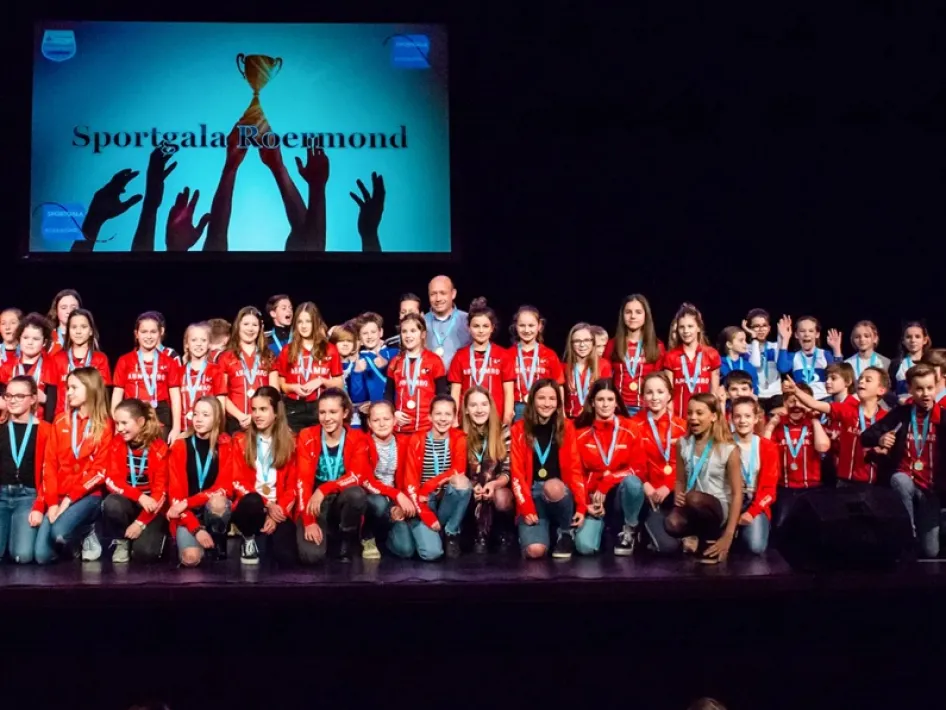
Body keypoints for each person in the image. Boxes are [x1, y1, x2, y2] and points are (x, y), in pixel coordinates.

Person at [296, 389, 402, 562]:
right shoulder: (307, 436)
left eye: (333, 412)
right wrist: (308, 521)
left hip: (340, 500)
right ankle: (327, 533)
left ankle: (346, 539)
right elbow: (302, 481)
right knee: (310, 557)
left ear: (345, 412)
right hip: (315, 503)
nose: (327, 418)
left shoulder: (357, 438)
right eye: (322, 412)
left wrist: (324, 489)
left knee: (356, 494)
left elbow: (357, 476)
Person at [862, 364, 944, 558]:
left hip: (931, 489)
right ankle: (907, 531)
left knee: (931, 552)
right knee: (899, 480)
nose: (925, 394)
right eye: (919, 388)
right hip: (906, 479)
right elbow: (866, 436)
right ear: (909, 389)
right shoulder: (902, 414)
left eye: (930, 388)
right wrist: (880, 439)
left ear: (936, 387)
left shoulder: (943, 418)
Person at [36, 367, 113, 563]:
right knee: (42, 556)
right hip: (60, 495)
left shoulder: (104, 425)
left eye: (73, 388)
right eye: (67, 387)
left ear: (90, 389)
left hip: (88, 495)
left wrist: (68, 500)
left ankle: (89, 529)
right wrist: (52, 503)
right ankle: (74, 542)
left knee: (59, 533)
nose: (68, 392)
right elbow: (49, 465)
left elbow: (100, 471)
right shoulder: (61, 421)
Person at [510, 379, 586, 560]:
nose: (547, 403)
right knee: (535, 552)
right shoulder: (519, 428)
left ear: (558, 403)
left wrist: (582, 506)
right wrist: (526, 507)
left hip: (559, 491)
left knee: (552, 486)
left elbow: (575, 468)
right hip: (532, 493)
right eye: (541, 398)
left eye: (552, 399)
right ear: (532, 400)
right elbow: (517, 472)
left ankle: (565, 532)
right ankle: (546, 533)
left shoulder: (566, 427)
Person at [389, 395, 471, 560]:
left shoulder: (459, 438)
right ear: (430, 416)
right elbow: (410, 482)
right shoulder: (417, 439)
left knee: (462, 482)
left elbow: (458, 470)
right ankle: (401, 533)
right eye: (438, 414)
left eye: (448, 414)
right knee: (431, 554)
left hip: (444, 500)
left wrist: (428, 486)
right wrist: (425, 513)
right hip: (422, 502)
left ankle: (450, 532)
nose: (442, 419)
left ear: (455, 417)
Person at [664, 393, 743, 564]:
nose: (693, 418)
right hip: (693, 505)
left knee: (694, 497)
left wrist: (729, 535)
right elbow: (680, 480)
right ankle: (700, 536)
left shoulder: (728, 449)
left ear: (713, 416)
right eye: (690, 413)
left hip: (718, 507)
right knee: (671, 523)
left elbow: (738, 494)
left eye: (699, 413)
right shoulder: (682, 444)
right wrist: (678, 492)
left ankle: (716, 535)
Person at [573, 379, 643, 556]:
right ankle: (602, 527)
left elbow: (638, 469)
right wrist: (585, 503)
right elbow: (576, 473)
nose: (605, 404)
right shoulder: (580, 433)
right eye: (600, 399)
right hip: (594, 499)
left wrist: (608, 480)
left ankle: (630, 529)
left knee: (633, 483)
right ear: (592, 403)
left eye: (610, 399)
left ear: (617, 402)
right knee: (585, 548)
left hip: (620, 495)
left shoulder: (631, 428)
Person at [785, 368, 889, 486]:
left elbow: (889, 449)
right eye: (860, 378)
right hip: (844, 482)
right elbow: (814, 404)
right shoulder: (846, 409)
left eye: (868, 380)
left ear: (881, 390)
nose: (861, 381)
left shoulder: (886, 418)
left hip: (872, 483)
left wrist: (883, 448)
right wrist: (796, 391)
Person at [229, 387, 297, 565]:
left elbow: (293, 486)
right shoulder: (240, 441)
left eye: (263, 409)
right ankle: (248, 537)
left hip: (279, 507)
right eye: (254, 409)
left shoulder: (291, 442)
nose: (257, 415)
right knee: (253, 501)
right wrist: (267, 504)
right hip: (252, 504)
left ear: (276, 413)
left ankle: (266, 535)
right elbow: (237, 481)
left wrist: (276, 513)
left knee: (286, 558)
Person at [167, 396, 233, 566]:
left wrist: (188, 502)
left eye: (205, 415)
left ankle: (217, 542)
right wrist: (196, 530)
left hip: (210, 509)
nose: (198, 419)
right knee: (191, 559)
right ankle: (200, 544)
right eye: (196, 414)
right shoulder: (180, 446)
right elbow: (175, 498)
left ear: (217, 418)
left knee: (219, 502)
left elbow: (225, 488)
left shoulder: (226, 446)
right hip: (186, 515)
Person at [103, 399, 170, 563]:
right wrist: (138, 496)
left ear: (140, 422)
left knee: (145, 554)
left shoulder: (159, 447)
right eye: (117, 423)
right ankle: (122, 541)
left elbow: (161, 493)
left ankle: (151, 536)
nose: (119, 428)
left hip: (151, 509)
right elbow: (111, 480)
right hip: (129, 501)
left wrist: (140, 523)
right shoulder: (116, 443)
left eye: (124, 423)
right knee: (111, 503)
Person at [763, 380, 831, 528]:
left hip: (812, 488)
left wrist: (814, 420)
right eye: (792, 401)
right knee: (781, 527)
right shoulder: (779, 425)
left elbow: (823, 447)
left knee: (814, 528)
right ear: (784, 403)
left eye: (801, 401)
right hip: (785, 488)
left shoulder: (814, 425)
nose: (796, 406)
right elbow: (763, 451)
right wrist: (771, 425)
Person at [634, 372, 688, 554]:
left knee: (670, 547)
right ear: (642, 397)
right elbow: (630, 461)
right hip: (646, 493)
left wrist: (669, 485)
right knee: (667, 547)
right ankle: (637, 528)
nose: (655, 397)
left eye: (660, 391)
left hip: (673, 492)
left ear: (669, 395)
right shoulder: (633, 425)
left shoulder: (682, 426)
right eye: (649, 392)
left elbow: (686, 464)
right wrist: (645, 485)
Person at [0, 376, 52, 563]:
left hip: (27, 496)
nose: (12, 400)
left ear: (32, 399)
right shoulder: (1, 426)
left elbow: (50, 474)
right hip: (2, 496)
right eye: (9, 395)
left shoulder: (46, 430)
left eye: (19, 396)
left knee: (22, 556)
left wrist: (39, 505)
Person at [112, 311, 183, 443]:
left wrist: (176, 427)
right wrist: (117, 424)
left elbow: (175, 397)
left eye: (153, 332)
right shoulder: (124, 361)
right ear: (136, 334)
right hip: (132, 413)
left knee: (158, 456)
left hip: (160, 414)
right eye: (144, 332)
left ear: (160, 333)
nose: (149, 336)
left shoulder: (169, 362)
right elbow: (117, 395)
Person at [461, 385, 514, 552]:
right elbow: (457, 471)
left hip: (497, 486)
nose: (479, 410)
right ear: (467, 410)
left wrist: (494, 484)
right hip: (471, 487)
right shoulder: (459, 435)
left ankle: (501, 531)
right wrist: (472, 485)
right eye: (473, 405)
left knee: (501, 498)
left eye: (484, 404)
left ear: (490, 407)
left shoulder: (504, 431)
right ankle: (476, 533)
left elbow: (507, 470)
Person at [276, 302, 343, 433]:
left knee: (318, 448)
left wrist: (321, 381)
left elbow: (339, 383)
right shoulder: (287, 350)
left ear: (316, 322)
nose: (304, 326)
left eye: (308, 321)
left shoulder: (329, 349)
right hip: (293, 407)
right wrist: (293, 387)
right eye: (300, 322)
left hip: (320, 406)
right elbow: (281, 383)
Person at [361, 400, 416, 559]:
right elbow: (366, 481)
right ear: (369, 423)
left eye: (386, 419)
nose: (382, 424)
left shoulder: (405, 442)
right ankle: (367, 535)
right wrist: (396, 495)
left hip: (395, 500)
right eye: (376, 420)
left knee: (406, 550)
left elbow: (410, 476)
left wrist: (399, 503)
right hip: (371, 497)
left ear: (394, 420)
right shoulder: (362, 443)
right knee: (379, 503)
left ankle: (384, 536)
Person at [448, 298, 515, 426]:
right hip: (467, 420)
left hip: (496, 419)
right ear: (468, 328)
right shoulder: (460, 356)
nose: (480, 330)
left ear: (492, 328)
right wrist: (454, 418)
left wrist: (507, 417)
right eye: (476, 326)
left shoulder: (503, 355)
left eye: (485, 326)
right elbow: (455, 392)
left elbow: (508, 391)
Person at [219, 307, 280, 435]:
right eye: (246, 324)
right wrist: (241, 416)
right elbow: (222, 394)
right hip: (236, 421)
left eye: (254, 325)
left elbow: (274, 393)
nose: (250, 329)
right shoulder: (226, 357)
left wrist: (257, 416)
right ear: (238, 326)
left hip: (264, 421)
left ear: (260, 328)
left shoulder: (269, 356)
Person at [729, 396, 779, 555]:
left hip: (754, 501)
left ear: (756, 418)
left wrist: (752, 512)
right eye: (738, 416)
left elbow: (769, 490)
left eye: (747, 416)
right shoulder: (724, 443)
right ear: (731, 418)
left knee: (755, 547)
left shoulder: (768, 447)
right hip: (729, 501)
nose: (742, 420)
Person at [385, 313, 448, 437]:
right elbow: (388, 394)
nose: (408, 335)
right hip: (401, 428)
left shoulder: (434, 361)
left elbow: (442, 395)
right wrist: (393, 413)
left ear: (423, 334)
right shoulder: (395, 362)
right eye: (404, 331)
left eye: (413, 331)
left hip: (427, 428)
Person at [606, 294, 666, 416]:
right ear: (622, 315)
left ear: (646, 315)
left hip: (646, 409)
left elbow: (660, 381)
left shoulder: (657, 346)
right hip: (618, 409)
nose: (633, 316)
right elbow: (605, 378)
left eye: (638, 312)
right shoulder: (612, 344)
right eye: (628, 312)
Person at [506, 305, 564, 422]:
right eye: (522, 325)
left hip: (543, 408)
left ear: (540, 326)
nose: (527, 330)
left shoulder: (549, 354)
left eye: (531, 325)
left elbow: (559, 386)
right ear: (516, 326)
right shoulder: (507, 355)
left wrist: (561, 412)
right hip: (517, 409)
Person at [0, 313, 60, 422]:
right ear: (19, 339)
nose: (30, 342)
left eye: (36, 339)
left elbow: (52, 404)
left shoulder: (50, 366)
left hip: (38, 425)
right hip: (10, 425)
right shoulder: (8, 366)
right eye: (26, 337)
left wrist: (46, 399)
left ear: (44, 342)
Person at [663, 303, 721, 417]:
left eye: (690, 326)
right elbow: (668, 392)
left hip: (704, 417)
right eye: (682, 327)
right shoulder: (671, 356)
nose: (685, 331)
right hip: (678, 416)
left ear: (699, 327)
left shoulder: (711, 354)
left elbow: (714, 392)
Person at [52, 308, 111, 415]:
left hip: (92, 417)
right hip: (63, 417)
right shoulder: (58, 358)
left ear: (91, 331)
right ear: (68, 331)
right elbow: (52, 395)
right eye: (74, 327)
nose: (78, 331)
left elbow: (104, 393)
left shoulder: (100, 359)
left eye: (83, 327)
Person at [775, 315, 843, 401]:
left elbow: (840, 374)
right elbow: (782, 368)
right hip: (802, 400)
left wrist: (836, 350)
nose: (806, 334)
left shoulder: (825, 354)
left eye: (811, 331)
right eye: (802, 331)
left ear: (817, 334)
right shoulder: (794, 356)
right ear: (796, 335)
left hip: (824, 399)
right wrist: (785, 340)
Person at [350, 312, 398, 426]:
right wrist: (356, 373)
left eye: (373, 332)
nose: (369, 336)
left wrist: (387, 364)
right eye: (365, 333)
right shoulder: (358, 361)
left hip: (395, 413)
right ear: (359, 338)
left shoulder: (394, 353)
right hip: (373, 418)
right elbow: (357, 397)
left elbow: (402, 383)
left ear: (381, 332)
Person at [179, 322, 227, 430]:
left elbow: (221, 404)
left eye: (203, 340)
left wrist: (219, 429)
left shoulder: (216, 370)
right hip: (183, 430)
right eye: (194, 340)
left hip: (209, 431)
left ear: (209, 344)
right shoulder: (179, 372)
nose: (199, 344)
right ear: (186, 344)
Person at [563, 322, 612, 419]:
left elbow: (606, 396)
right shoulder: (563, 367)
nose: (582, 345)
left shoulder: (603, 365)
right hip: (569, 420)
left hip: (593, 420)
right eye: (577, 341)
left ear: (593, 342)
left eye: (586, 340)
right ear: (571, 343)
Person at [425, 275, 471, 368]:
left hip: (460, 380)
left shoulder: (468, 320)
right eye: (433, 294)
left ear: (453, 294)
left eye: (443, 293)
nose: (438, 299)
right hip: (429, 379)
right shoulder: (421, 322)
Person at [743, 308, 782, 413]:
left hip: (776, 394)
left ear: (769, 328)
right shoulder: (746, 348)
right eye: (756, 326)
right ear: (749, 328)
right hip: (757, 395)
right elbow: (755, 363)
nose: (760, 329)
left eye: (764, 325)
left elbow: (782, 367)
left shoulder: (775, 346)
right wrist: (754, 340)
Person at [889, 321, 931, 403]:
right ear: (903, 341)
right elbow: (887, 390)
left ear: (925, 340)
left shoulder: (931, 362)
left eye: (917, 336)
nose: (913, 340)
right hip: (902, 408)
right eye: (908, 337)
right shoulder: (896, 364)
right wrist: (897, 400)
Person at [718, 325, 758, 394]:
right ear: (729, 344)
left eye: (745, 340)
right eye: (741, 340)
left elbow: (755, 392)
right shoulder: (718, 364)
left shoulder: (749, 366)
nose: (745, 344)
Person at [46, 289, 82, 354]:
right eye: (64, 308)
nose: (69, 311)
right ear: (56, 311)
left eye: (73, 308)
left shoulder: (87, 336)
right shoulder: (48, 337)